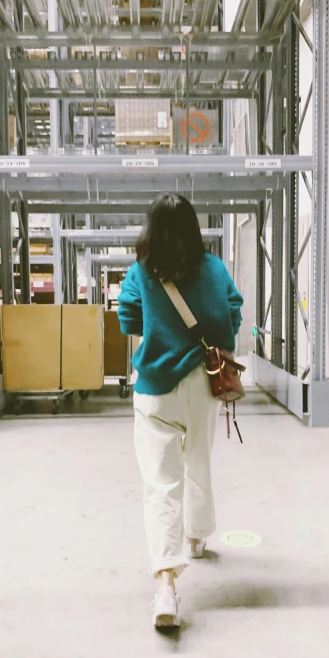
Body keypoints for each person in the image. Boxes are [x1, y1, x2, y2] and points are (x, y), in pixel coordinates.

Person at [117, 193, 244, 629]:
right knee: (199, 461)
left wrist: (159, 326)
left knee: (159, 482)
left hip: (155, 386)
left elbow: (126, 319)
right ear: (194, 228)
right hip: (202, 384)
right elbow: (234, 310)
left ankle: (166, 587)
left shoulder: (141, 272)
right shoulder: (215, 269)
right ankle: (196, 536)